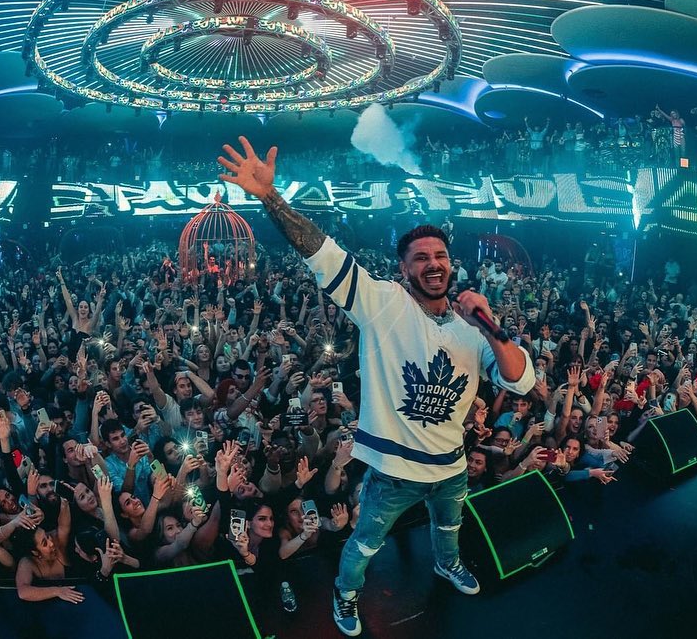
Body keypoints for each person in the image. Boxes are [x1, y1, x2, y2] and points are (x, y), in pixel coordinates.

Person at [218, 137, 535, 637]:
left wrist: (490, 324)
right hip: (394, 472)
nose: (433, 263)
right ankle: (345, 595)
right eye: (420, 258)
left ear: (451, 264)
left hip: (452, 465)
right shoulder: (384, 303)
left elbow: (520, 379)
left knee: (449, 527)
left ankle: (446, 564)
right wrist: (270, 197)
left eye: (440, 255)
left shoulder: (473, 329)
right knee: (365, 544)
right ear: (404, 269)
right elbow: (322, 253)